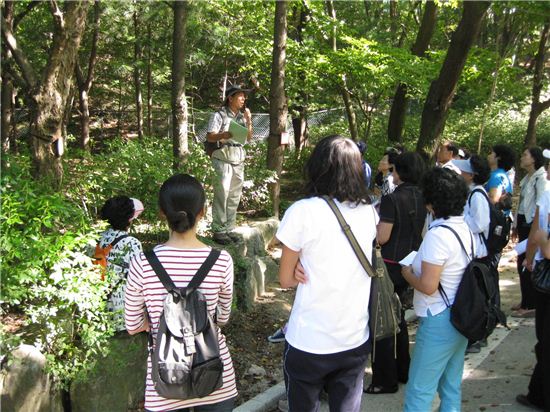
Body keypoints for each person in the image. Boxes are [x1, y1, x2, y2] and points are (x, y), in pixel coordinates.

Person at [277, 135, 377, 412]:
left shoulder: (302, 211)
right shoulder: (369, 211)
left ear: (318, 166)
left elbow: (285, 280)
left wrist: (297, 266)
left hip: (309, 340)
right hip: (354, 337)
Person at [124, 174, 237, 412]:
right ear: (203, 212)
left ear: (162, 213)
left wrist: (158, 320)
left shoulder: (142, 263)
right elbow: (223, 319)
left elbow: (132, 325)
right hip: (215, 374)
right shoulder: (221, 260)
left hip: (167, 378)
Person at [401, 167, 472, 411]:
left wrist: (408, 273)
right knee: (450, 386)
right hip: (460, 316)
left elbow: (429, 286)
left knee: (419, 391)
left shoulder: (438, 235)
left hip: (438, 318)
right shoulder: (464, 228)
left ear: (431, 201)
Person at [366, 152, 427, 395]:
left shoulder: (393, 199)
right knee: (399, 319)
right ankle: (403, 370)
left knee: (382, 321)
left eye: (394, 170)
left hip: (389, 264)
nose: (392, 173)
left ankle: (384, 379)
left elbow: (383, 236)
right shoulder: (423, 196)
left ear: (399, 171)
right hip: (411, 262)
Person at [517, 148, 550, 411]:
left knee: (546, 337)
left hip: (546, 275)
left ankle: (539, 395)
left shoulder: (547, 192)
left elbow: (540, 237)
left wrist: (530, 257)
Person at [452, 155, 492, 353]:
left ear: (472, 175)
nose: (461, 173)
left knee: (477, 297)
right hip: (473, 251)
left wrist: (461, 219)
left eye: (465, 170)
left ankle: (477, 336)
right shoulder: (471, 192)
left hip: (479, 253)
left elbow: (480, 223)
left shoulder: (477, 194)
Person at [206, 84, 253, 245]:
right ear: (230, 98)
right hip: (222, 157)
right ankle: (219, 230)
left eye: (244, 96)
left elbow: (248, 138)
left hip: (238, 158)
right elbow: (210, 137)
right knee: (222, 194)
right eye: (240, 96)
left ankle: (229, 228)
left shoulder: (241, 116)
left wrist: (248, 120)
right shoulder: (219, 115)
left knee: (234, 195)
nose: (243, 99)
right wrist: (223, 135)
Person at [96, 196, 143, 332]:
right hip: (122, 312)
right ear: (130, 218)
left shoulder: (96, 238)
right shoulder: (132, 243)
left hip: (97, 308)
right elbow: (139, 279)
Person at [511, 147, 547, 318]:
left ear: (534, 159)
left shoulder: (541, 179)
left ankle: (530, 304)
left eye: (525, 155)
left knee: (528, 262)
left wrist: (534, 227)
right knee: (521, 262)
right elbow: (522, 204)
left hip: (532, 226)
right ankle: (526, 299)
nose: (522, 157)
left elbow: (541, 208)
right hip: (524, 225)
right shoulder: (527, 178)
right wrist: (516, 225)